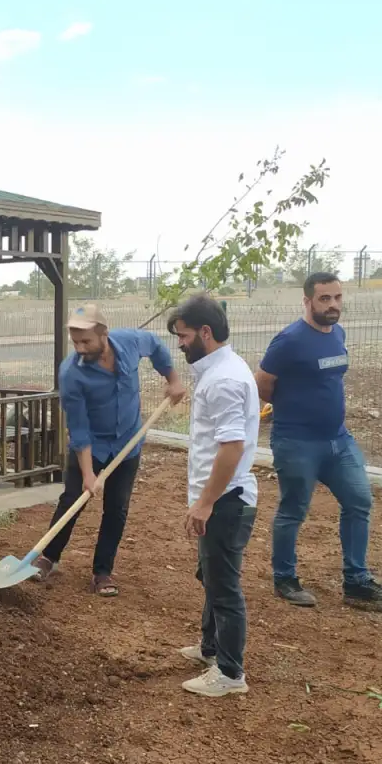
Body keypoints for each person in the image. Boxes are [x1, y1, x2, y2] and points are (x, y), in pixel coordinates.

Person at [255, 272, 382, 611]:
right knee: (294, 509)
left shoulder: (338, 334)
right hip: (296, 442)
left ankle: (356, 582)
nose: (333, 305)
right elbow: (262, 382)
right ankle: (285, 579)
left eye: (337, 297)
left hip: (338, 440)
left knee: (359, 501)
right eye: (324, 299)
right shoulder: (289, 340)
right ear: (307, 301)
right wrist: (290, 409)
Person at [36, 303, 186, 594]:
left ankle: (103, 572)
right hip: (93, 444)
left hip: (128, 442)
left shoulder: (130, 341)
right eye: (75, 341)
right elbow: (78, 428)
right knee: (72, 499)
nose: (80, 348)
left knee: (116, 509)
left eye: (86, 341)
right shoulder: (71, 374)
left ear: (104, 334)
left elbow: (155, 346)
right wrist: (88, 473)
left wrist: (173, 379)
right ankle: (47, 558)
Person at [168, 296, 260, 698]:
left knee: (223, 587)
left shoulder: (223, 380)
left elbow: (231, 447)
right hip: (221, 496)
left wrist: (205, 502)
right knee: (210, 576)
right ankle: (210, 649)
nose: (180, 345)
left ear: (205, 333)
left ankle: (229, 672)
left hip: (225, 500)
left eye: (184, 336)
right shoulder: (221, 371)